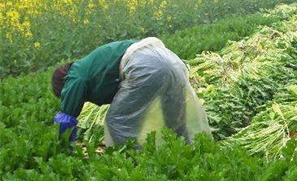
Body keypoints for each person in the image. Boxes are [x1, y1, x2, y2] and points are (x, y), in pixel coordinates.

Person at [51, 37, 211, 146]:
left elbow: (66, 118)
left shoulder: (75, 76)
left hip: (144, 66)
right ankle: (189, 150)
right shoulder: (89, 65)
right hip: (171, 60)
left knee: (118, 122)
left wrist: (64, 148)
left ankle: (130, 162)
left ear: (63, 84)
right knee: (174, 117)